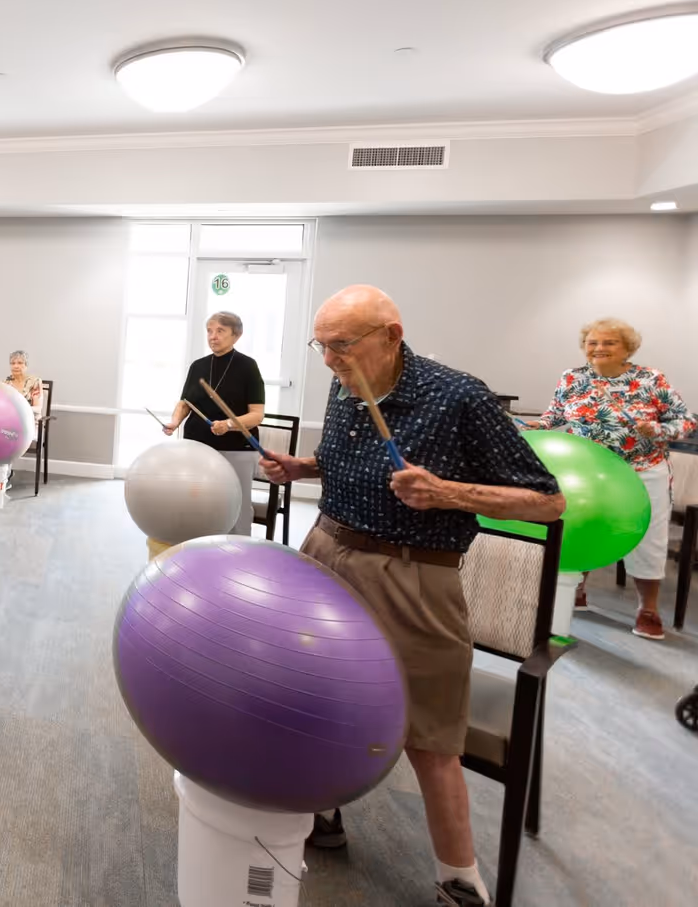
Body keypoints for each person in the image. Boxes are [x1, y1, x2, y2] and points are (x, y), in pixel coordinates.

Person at [259, 285, 564, 907]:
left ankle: (459, 876)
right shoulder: (347, 383)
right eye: (323, 345)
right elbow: (350, 461)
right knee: (317, 700)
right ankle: (325, 812)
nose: (329, 360)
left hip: (413, 575)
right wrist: (303, 467)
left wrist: (449, 492)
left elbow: (546, 500)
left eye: (341, 345)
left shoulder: (459, 396)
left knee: (429, 735)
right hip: (326, 552)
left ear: (391, 335)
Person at [529, 317, 692, 640]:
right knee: (583, 527)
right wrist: (538, 426)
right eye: (592, 342)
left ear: (627, 348)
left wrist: (658, 430)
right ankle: (578, 590)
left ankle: (648, 608)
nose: (598, 348)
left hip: (643, 470)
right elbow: (555, 415)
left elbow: (685, 421)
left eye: (608, 343)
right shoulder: (573, 378)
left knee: (647, 538)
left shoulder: (650, 379)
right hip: (589, 471)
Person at [160, 312, 265, 534]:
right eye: (209, 331)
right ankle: (199, 549)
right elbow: (185, 403)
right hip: (197, 447)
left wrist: (227, 424)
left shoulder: (248, 366)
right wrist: (174, 421)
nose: (213, 336)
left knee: (237, 504)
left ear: (236, 335)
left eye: (220, 331)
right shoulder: (198, 366)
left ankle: (239, 552)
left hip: (237, 448)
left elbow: (256, 415)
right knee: (197, 502)